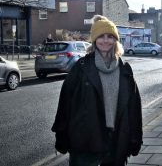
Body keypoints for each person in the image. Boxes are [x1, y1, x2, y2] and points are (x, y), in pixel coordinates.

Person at [51, 15, 143, 166]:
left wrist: (135, 138)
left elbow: (134, 107)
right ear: (94, 39)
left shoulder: (125, 70)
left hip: (116, 142)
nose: (106, 40)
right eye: (101, 36)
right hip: (86, 142)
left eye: (110, 36)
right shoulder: (81, 68)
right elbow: (65, 103)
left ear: (116, 40)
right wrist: (61, 134)